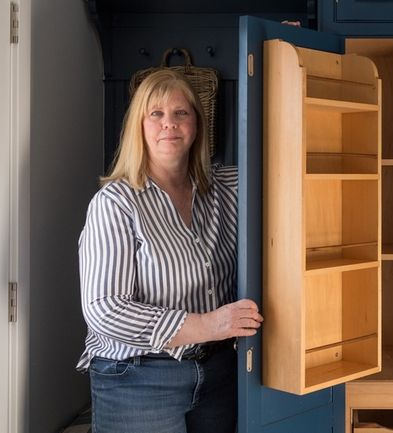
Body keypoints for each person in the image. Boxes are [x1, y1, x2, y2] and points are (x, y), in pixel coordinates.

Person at [76, 69, 263, 433]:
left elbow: (282, 158)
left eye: (181, 113)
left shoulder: (224, 187)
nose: (169, 124)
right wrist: (209, 324)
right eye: (156, 114)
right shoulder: (115, 203)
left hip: (218, 372)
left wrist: (281, 56)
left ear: (196, 124)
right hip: (138, 378)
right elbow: (105, 309)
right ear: (139, 126)